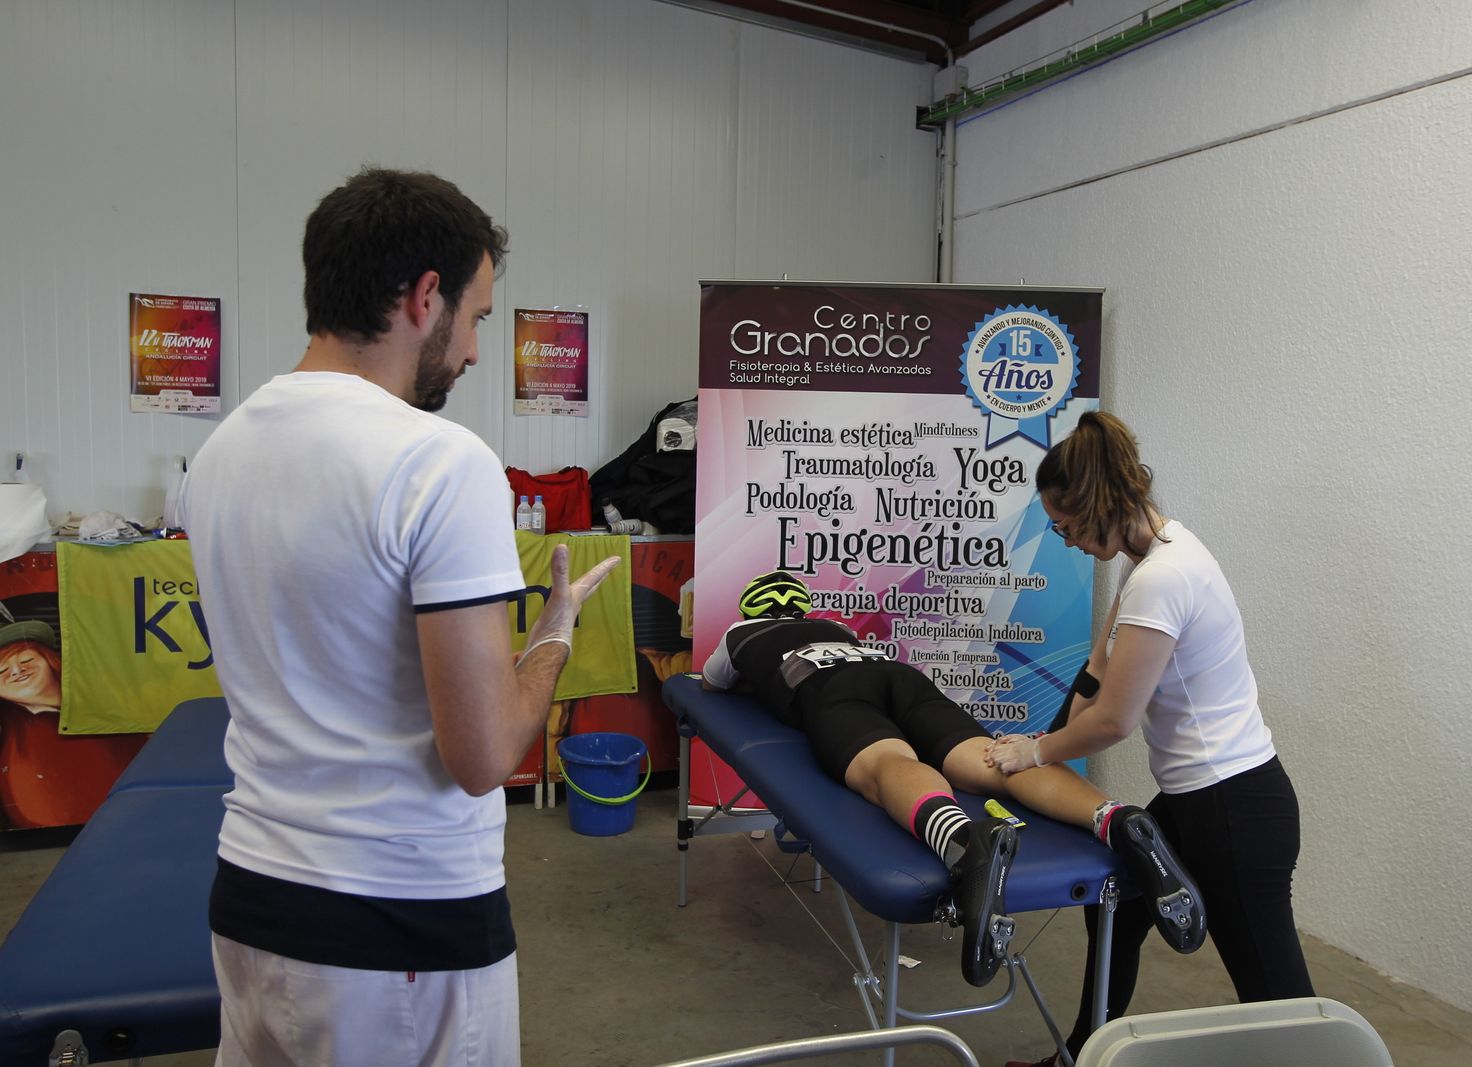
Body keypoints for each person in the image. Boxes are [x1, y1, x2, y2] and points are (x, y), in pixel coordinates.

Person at [182, 168, 621, 1067]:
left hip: (253, 901)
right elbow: (485, 752)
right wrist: (553, 637)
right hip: (398, 931)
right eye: (477, 319)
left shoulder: (222, 451)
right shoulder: (441, 461)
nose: (470, 352)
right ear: (426, 297)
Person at [701, 570, 1204, 991]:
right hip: (897, 675)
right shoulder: (835, 627)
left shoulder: (739, 635)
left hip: (831, 691)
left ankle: (965, 843)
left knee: (885, 765)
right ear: (805, 607)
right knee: (991, 760)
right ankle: (1116, 818)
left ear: (751, 612)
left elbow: (710, 682)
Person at [991, 410, 1314, 1066]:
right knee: (1118, 911)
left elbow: (1113, 719)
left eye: (1068, 525)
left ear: (1097, 503)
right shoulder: (1154, 555)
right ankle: (1083, 1056)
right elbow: (1098, 670)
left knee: (1279, 1003)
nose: (1068, 540)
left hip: (1234, 810)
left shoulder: (1162, 578)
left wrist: (1032, 753)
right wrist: (1048, 740)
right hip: (1202, 800)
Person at [0, 617, 145, 828]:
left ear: (49, 659)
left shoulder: (105, 699)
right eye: (1, 670)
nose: (16, 671)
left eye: (26, 660)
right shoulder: (16, 735)